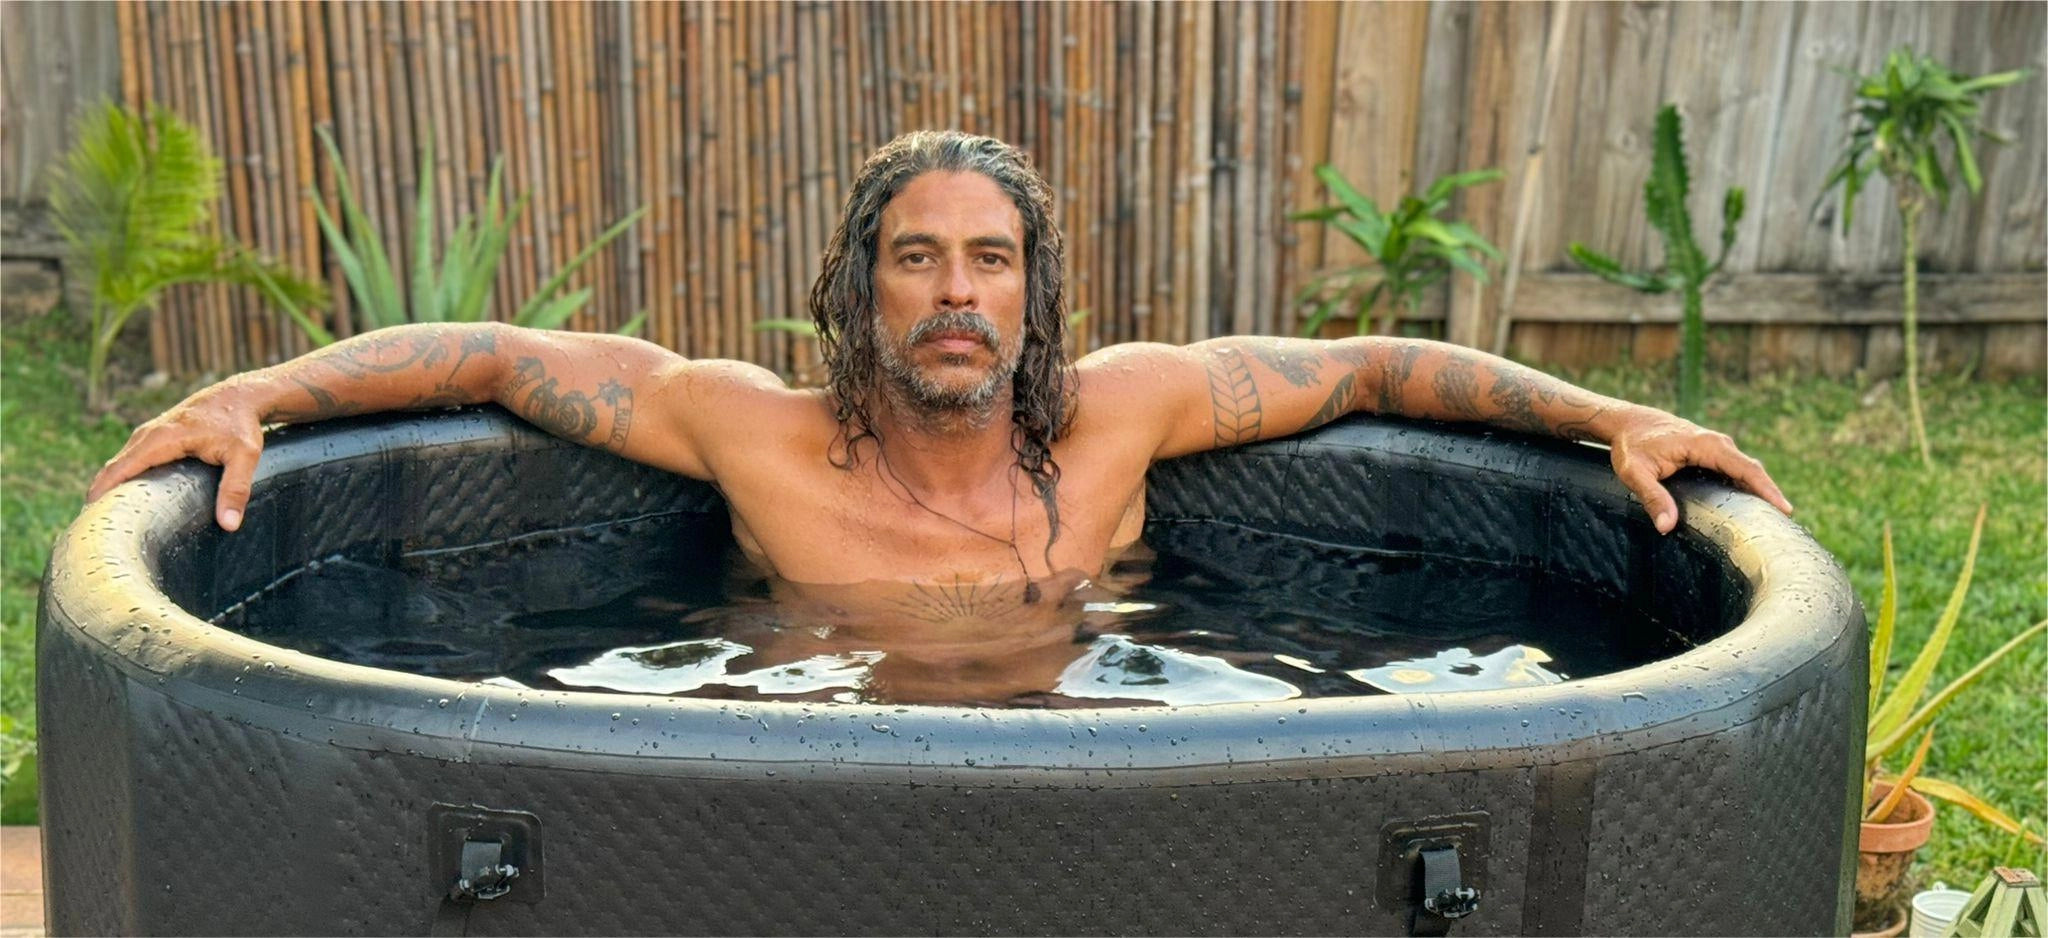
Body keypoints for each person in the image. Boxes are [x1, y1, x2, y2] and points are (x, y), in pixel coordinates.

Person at [88, 130, 1791, 658]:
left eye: (989, 259)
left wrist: (1603, 417)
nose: (956, 291)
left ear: (1034, 297)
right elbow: (486, 359)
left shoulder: (1125, 418)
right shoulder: (746, 430)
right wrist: (257, 391)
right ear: (859, 290)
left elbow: (1361, 365)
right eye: (916, 258)